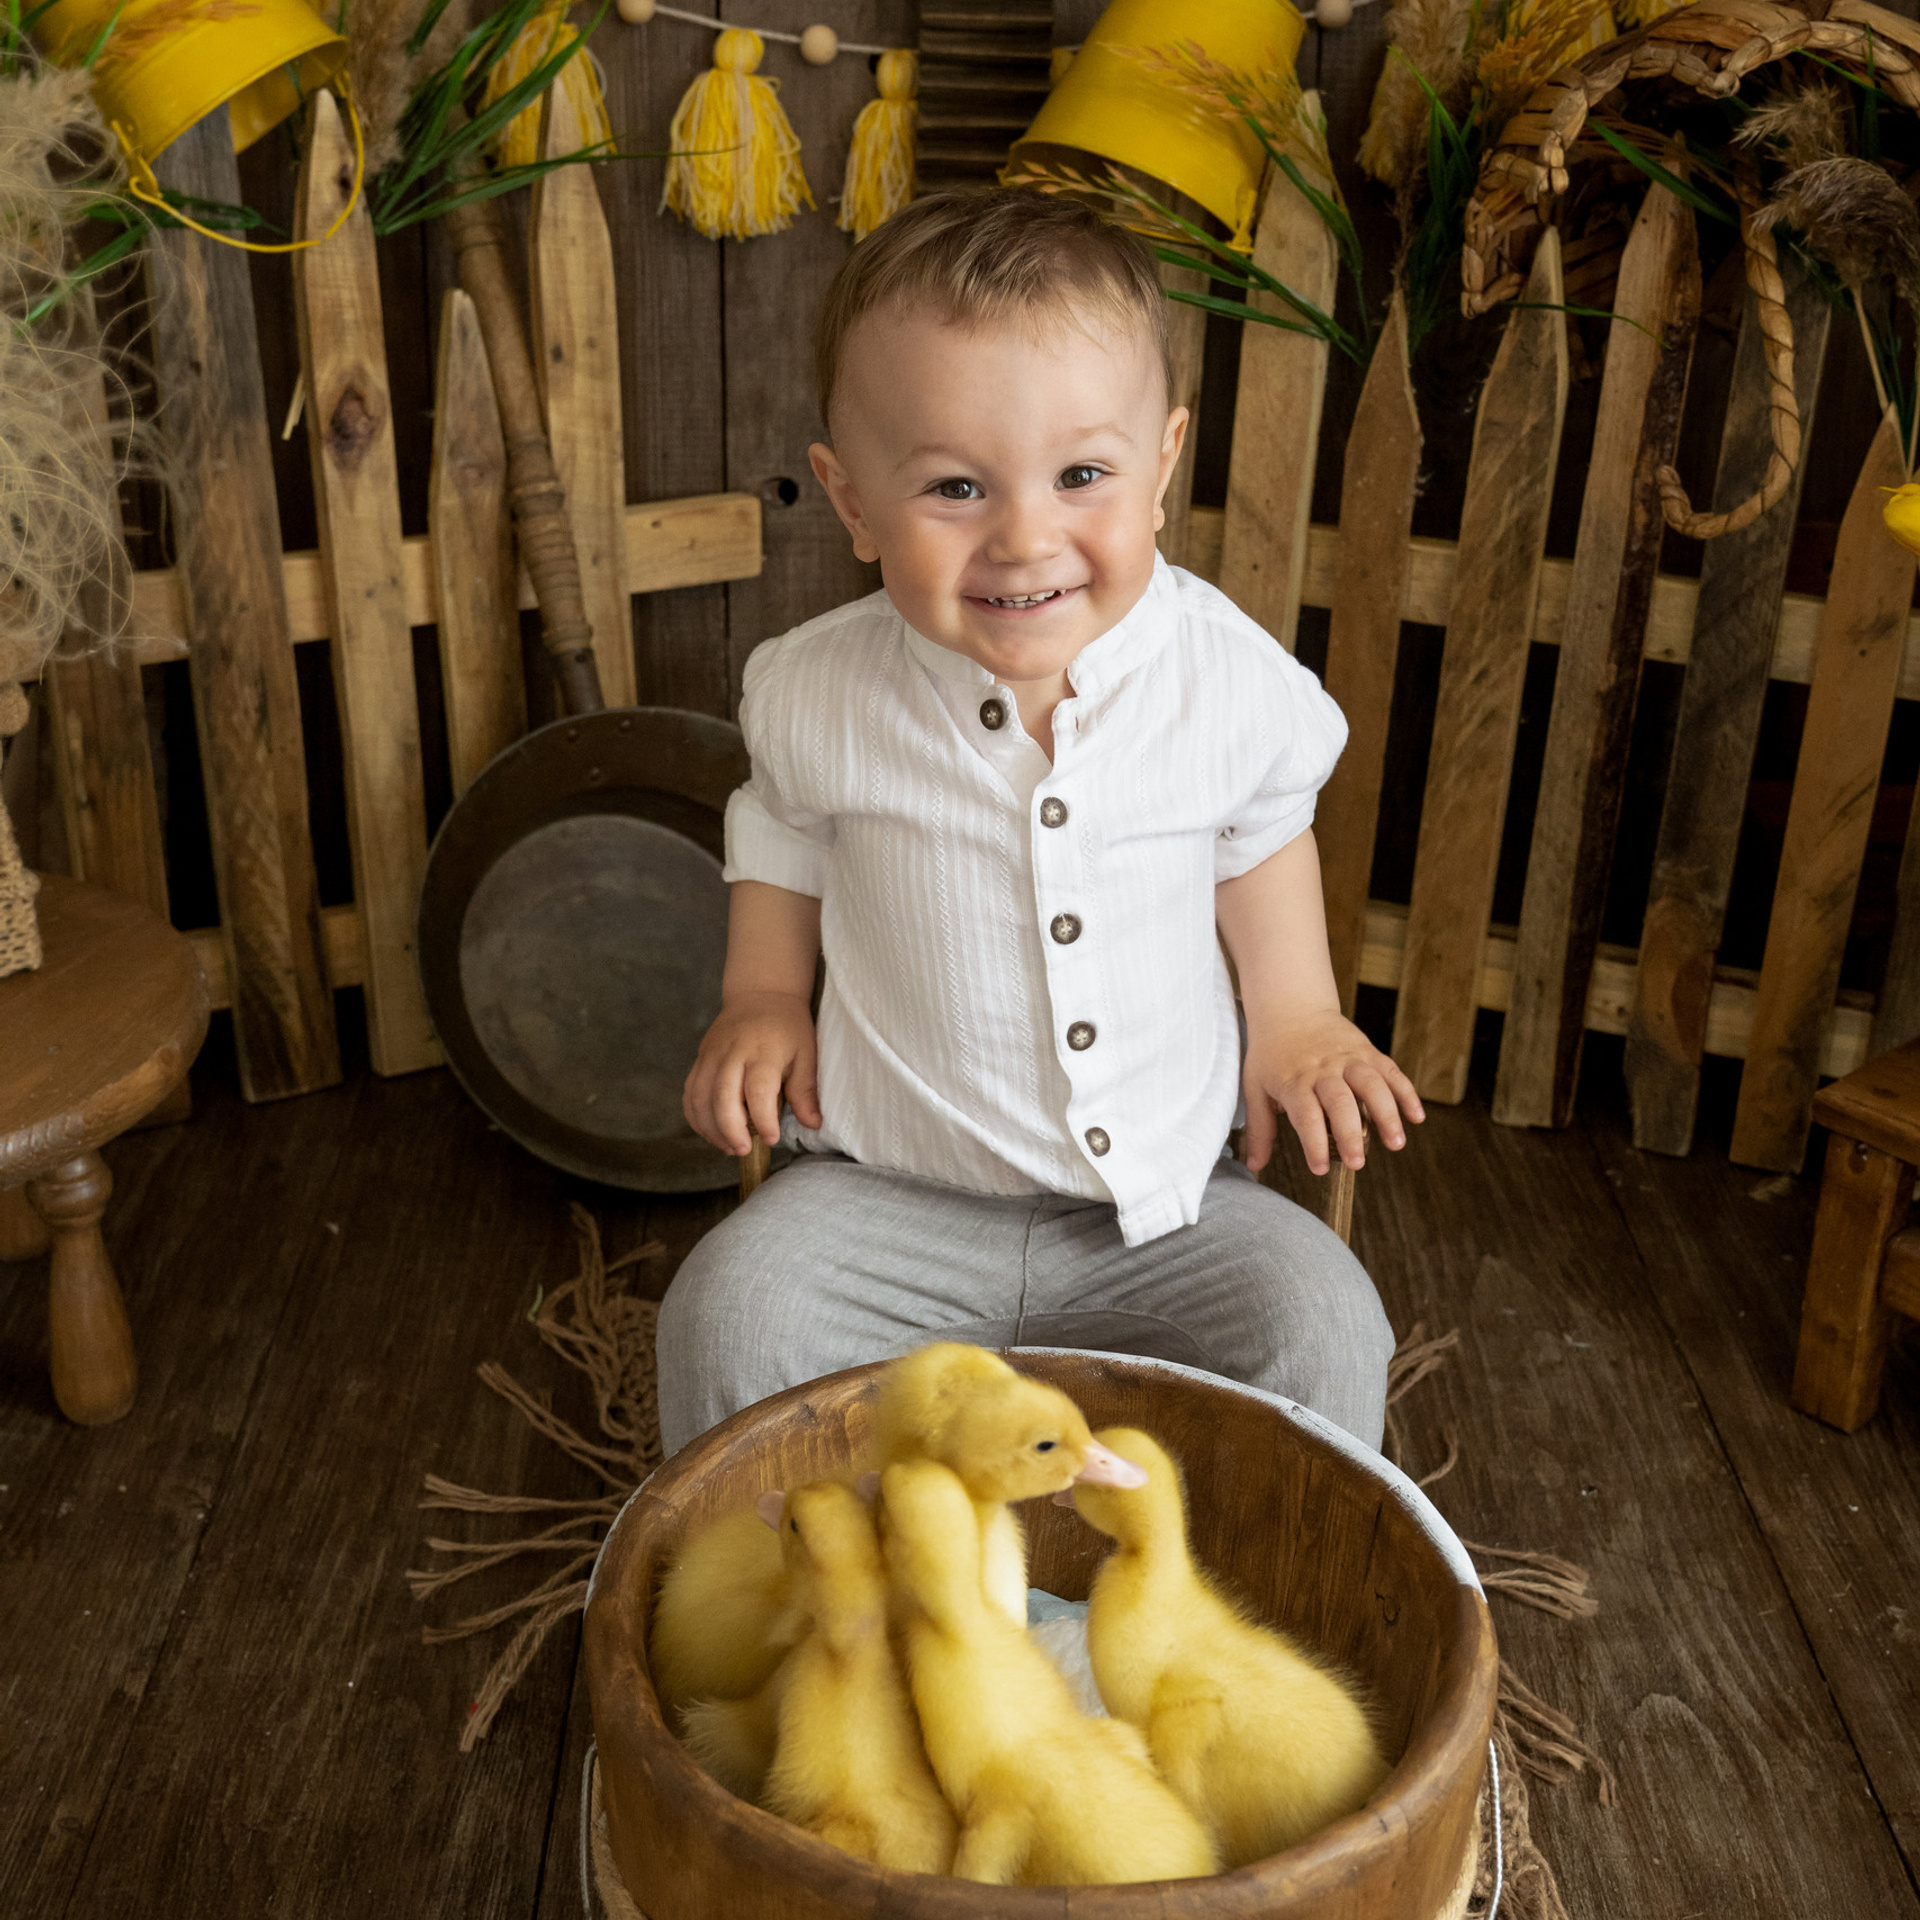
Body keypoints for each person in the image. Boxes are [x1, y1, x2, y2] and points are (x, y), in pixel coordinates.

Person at [659, 188, 1422, 1458]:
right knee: (727, 1311)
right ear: (852, 504)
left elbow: (1260, 824)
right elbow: (782, 827)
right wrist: (762, 998)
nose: (1025, 538)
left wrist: (1294, 1014)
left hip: (1164, 1215)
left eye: (1081, 475)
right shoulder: (820, 689)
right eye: (956, 486)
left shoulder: (1220, 679)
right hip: (887, 1201)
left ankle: (1270, 1593)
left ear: (1162, 462)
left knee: (1323, 1320)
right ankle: (801, 1613)